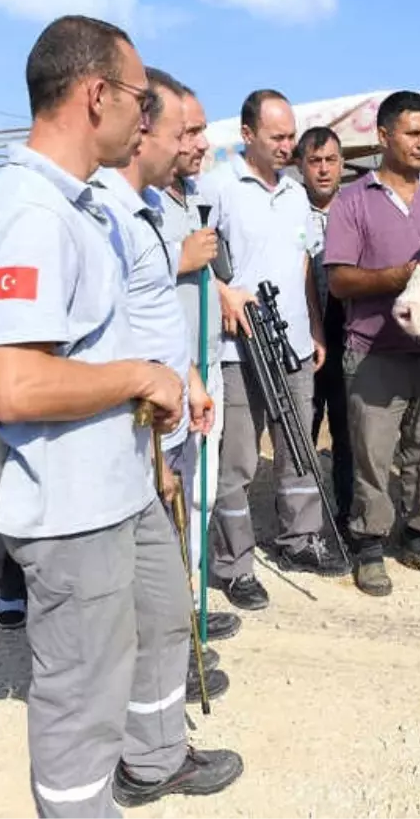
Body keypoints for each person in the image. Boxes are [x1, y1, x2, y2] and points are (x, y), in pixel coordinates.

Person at [0, 14, 242, 816]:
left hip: (116, 484)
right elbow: (15, 385)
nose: (144, 116)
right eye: (139, 97)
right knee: (80, 699)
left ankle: (153, 761)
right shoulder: (32, 213)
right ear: (95, 96)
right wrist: (140, 377)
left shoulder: (78, 208)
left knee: (152, 620)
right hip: (70, 503)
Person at [93, 66, 231, 705]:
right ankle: (156, 688)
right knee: (146, 559)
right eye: (185, 131)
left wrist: (192, 377)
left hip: (178, 398)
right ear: (143, 128)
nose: (191, 145)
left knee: (183, 527)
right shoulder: (105, 213)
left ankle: (178, 648)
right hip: (138, 420)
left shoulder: (155, 205)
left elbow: (155, 316)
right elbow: (115, 321)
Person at [203, 88, 348, 612]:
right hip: (239, 349)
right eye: (278, 136)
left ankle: (300, 540)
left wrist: (314, 326)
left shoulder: (292, 194)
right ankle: (235, 565)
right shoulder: (218, 187)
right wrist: (221, 293)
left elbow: (304, 265)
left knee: (299, 450)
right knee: (238, 461)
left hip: (293, 343)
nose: (289, 146)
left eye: (291, 135)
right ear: (248, 135)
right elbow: (196, 257)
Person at [325, 90, 420, 596]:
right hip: (373, 351)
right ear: (384, 136)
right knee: (373, 455)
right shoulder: (352, 200)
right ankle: (369, 545)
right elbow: (340, 281)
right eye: (413, 133)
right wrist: (401, 276)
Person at [160, 82, 244, 643]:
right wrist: (178, 258)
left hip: (201, 365)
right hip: (161, 376)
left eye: (201, 130)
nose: (200, 142)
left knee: (199, 495)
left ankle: (187, 605)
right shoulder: (135, 202)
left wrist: (220, 286)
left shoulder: (189, 196)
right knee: (163, 499)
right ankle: (170, 623)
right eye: (188, 131)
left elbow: (202, 270)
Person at [296, 126, 354, 530]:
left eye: (330, 160)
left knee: (348, 434)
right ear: (301, 165)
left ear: (342, 164)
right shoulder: (286, 208)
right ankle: (302, 522)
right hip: (300, 338)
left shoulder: (356, 208)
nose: (322, 170)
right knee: (302, 430)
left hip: (349, 335)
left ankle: (348, 516)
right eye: (314, 161)